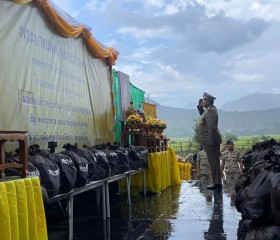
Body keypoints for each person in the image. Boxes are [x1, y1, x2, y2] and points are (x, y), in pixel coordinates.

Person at [197, 92, 222, 191]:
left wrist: (211, 142)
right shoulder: (208, 110)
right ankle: (216, 182)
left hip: (210, 140)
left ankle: (217, 183)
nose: (203, 101)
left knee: (214, 162)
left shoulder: (211, 111)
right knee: (213, 162)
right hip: (208, 140)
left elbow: (211, 127)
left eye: (204, 100)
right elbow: (203, 116)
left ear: (209, 101)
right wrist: (200, 108)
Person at [220, 139, 243, 203]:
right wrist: (221, 172)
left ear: (233, 145)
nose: (229, 146)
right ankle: (233, 199)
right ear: (226, 146)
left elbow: (240, 162)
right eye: (228, 144)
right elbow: (223, 164)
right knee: (230, 186)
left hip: (236, 172)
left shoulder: (237, 152)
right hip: (228, 173)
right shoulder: (224, 153)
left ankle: (237, 198)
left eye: (230, 144)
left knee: (237, 185)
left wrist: (241, 171)